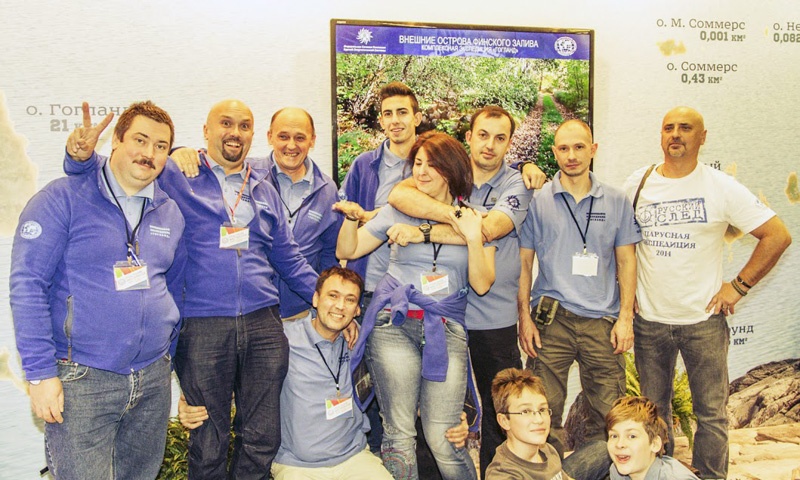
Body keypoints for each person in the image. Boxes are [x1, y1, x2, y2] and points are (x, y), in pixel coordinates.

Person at [63, 100, 322, 479]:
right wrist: (79, 158)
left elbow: (289, 258)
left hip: (264, 324)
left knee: (262, 435)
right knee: (208, 438)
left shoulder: (264, 188)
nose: (235, 132)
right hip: (202, 326)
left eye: (244, 126)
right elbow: (115, 173)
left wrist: (329, 303)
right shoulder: (175, 173)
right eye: (226, 123)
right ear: (206, 130)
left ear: (253, 135)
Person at [11, 101, 186, 479]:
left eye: (161, 146)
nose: (149, 153)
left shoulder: (169, 211)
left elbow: (174, 287)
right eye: (140, 140)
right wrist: (40, 375)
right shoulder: (62, 198)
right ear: (116, 141)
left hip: (152, 379)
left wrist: (168, 356)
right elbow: (28, 285)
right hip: (82, 379)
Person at [623, 106, 792, 479]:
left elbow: (777, 235)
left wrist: (738, 286)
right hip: (649, 322)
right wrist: (626, 291)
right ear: (661, 136)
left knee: (711, 416)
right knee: (653, 415)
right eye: (668, 128)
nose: (675, 134)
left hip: (704, 323)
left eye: (685, 128)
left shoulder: (720, 186)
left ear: (702, 137)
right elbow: (620, 243)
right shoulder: (639, 183)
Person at [178, 266, 470, 480]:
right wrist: (189, 400)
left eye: (350, 300)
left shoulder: (364, 344)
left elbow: (406, 382)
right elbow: (232, 373)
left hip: (355, 459)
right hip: (297, 467)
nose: (340, 306)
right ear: (315, 299)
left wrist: (455, 415)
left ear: (358, 310)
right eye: (333, 296)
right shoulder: (280, 340)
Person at [335, 131, 497, 480]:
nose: (421, 172)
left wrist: (472, 237)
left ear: (451, 170)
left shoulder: (475, 218)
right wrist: (351, 218)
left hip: (445, 326)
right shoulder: (398, 209)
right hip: (393, 323)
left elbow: (482, 283)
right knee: (399, 433)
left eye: (431, 165)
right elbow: (348, 251)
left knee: (442, 436)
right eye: (418, 163)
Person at [388, 105, 538, 476]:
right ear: (468, 137)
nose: (490, 145)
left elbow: (488, 230)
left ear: (509, 143)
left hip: (494, 317)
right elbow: (400, 196)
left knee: (502, 410)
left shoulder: (517, 183)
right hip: (439, 314)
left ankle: (499, 474)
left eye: (500, 138)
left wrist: (423, 231)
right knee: (432, 411)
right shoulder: (446, 170)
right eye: (482, 135)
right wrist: (460, 218)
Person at [518, 119, 641, 457]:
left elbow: (627, 261)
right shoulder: (538, 201)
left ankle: (600, 473)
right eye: (563, 148)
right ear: (554, 152)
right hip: (551, 321)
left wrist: (625, 318)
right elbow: (524, 263)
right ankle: (551, 475)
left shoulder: (616, 200)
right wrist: (524, 317)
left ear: (593, 150)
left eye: (579, 147)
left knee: (609, 417)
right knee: (542, 415)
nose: (571, 155)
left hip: (602, 323)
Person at [171, 107, 341, 320]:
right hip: (244, 308)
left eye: (300, 138)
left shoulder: (328, 189)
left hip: (299, 310)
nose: (291, 145)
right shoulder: (248, 173)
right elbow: (217, 157)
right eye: (283, 137)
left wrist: (330, 304)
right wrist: (177, 152)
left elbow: (326, 254)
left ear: (312, 140)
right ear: (269, 137)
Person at [337, 81, 421, 453]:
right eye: (388, 114)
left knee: (416, 393)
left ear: (417, 117)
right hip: (372, 290)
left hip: (417, 293)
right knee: (371, 384)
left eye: (402, 112)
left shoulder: (430, 162)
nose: (395, 120)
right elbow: (346, 221)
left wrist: (525, 166)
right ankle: (373, 461)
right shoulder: (363, 165)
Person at [486, 368, 610, 480]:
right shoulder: (502, 475)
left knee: (602, 449)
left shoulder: (546, 449)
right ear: (504, 421)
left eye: (542, 409)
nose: (539, 419)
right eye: (526, 411)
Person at [606, 396, 700, 480]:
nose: (619, 444)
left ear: (655, 444)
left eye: (632, 436)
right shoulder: (618, 471)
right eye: (614, 436)